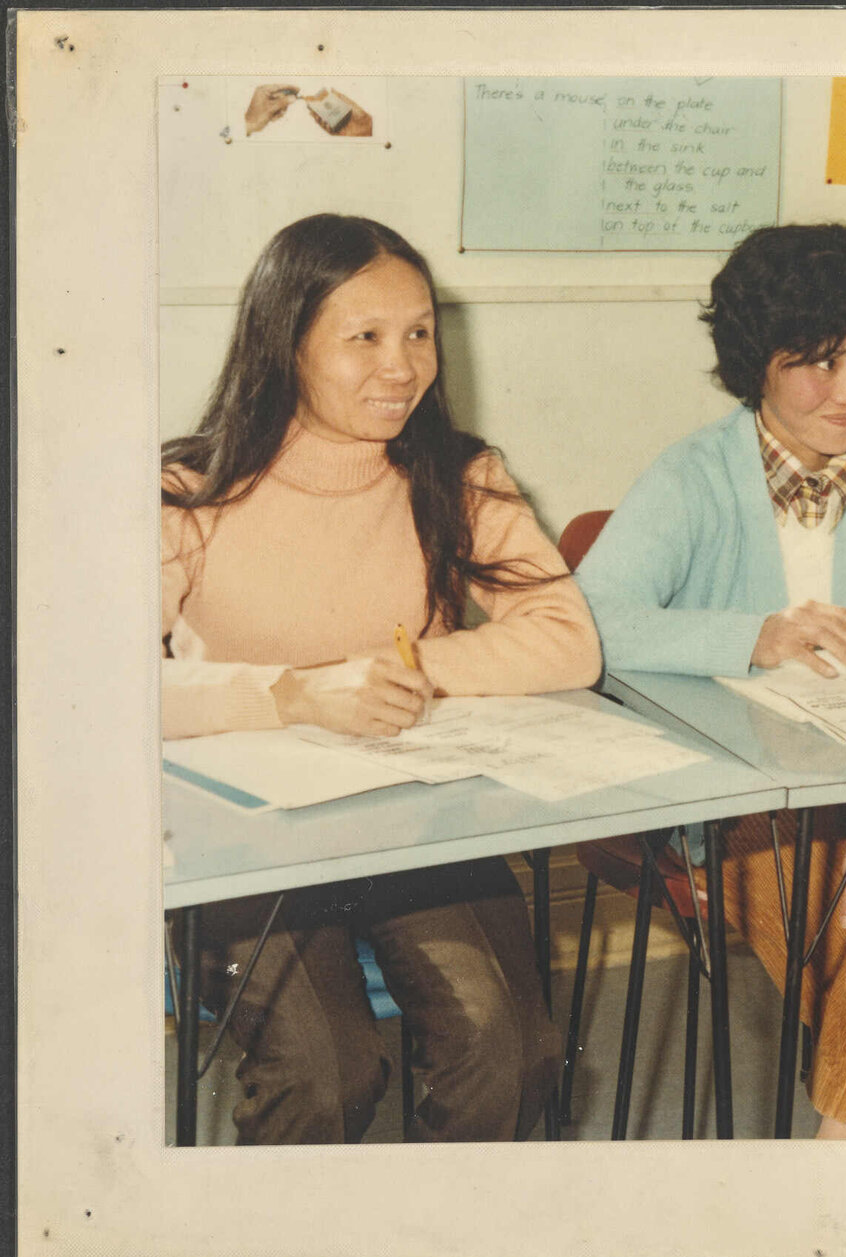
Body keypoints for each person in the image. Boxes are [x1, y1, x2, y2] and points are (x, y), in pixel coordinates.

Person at [574, 222, 846, 1139]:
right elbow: (584, 624)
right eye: (818, 363)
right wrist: (755, 635)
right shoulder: (691, 475)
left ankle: (842, 1145)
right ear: (758, 366)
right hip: (743, 792)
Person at [162, 213, 601, 1142]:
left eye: (417, 333)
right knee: (325, 1073)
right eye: (363, 337)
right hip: (249, 835)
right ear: (285, 346)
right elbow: (78, 688)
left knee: (510, 1049)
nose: (400, 367)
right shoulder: (186, 491)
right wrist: (288, 694)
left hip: (414, 817)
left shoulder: (457, 474)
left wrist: (404, 672)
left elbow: (567, 641)